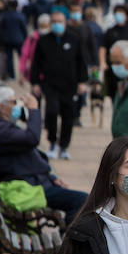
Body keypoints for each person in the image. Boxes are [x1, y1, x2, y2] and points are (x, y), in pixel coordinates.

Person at [0, 86, 87, 225]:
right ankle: (70, 244)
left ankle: (69, 241)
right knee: (83, 201)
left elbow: (27, 156)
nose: (17, 106)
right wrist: (34, 109)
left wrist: (51, 177)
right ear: (1, 107)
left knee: (83, 201)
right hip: (29, 188)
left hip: (34, 182)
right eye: (13, 102)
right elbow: (32, 138)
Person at [29, 9, 89, 160]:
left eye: (60, 22)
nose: (57, 25)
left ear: (65, 22)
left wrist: (82, 81)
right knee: (51, 111)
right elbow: (35, 63)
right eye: (54, 22)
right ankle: (52, 142)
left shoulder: (74, 39)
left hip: (70, 85)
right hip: (50, 85)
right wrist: (35, 82)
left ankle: (64, 146)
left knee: (68, 116)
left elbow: (82, 62)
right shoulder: (43, 41)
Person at [100, 4, 128, 100]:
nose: (119, 15)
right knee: (114, 94)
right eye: (117, 13)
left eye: (121, 13)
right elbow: (103, 48)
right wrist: (103, 62)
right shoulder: (110, 31)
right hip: (113, 68)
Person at [0, 0, 29, 82]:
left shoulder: (5, 15)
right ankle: (23, 74)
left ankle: (12, 76)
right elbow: (24, 29)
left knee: (9, 59)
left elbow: (1, 27)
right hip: (19, 39)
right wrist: (25, 38)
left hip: (7, 39)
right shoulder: (20, 15)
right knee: (22, 58)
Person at [19, 14, 50, 83]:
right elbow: (24, 56)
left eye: (46, 26)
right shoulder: (32, 38)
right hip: (35, 75)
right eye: (42, 26)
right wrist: (22, 72)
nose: (44, 28)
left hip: (50, 76)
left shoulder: (53, 39)